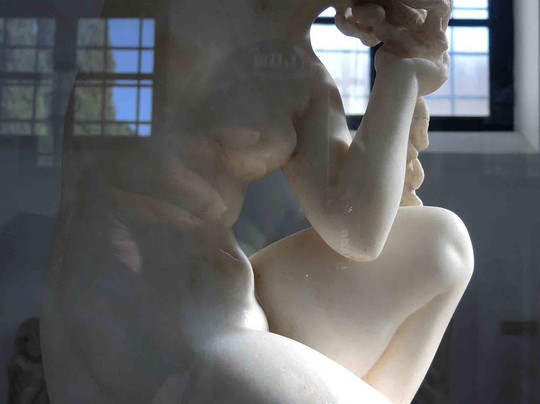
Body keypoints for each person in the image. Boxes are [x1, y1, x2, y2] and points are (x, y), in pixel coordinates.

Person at [41, 0, 473, 402]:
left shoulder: (302, 76)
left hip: (230, 316)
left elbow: (358, 233)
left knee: (441, 245)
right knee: (222, 367)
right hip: (141, 343)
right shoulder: (171, 12)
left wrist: (400, 77)